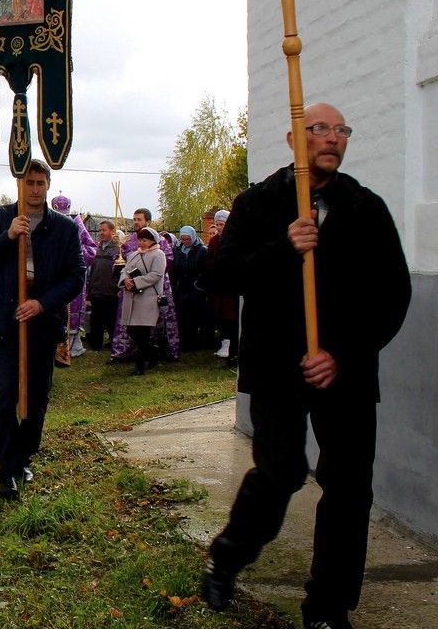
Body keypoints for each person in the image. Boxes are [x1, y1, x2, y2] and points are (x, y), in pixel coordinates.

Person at [200, 103, 411, 629]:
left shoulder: (365, 207)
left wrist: (343, 355)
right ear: (295, 139)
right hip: (278, 367)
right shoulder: (259, 203)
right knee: (281, 472)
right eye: (320, 129)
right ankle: (228, 555)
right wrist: (284, 247)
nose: (333, 138)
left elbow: (393, 294)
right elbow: (221, 275)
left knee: (349, 486)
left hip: (344, 372)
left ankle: (327, 608)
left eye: (342, 130)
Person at [0, 159, 86, 501]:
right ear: (19, 184)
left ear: (48, 185)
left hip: (42, 320)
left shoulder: (64, 228)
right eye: (28, 183)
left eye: (40, 183)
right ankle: (7, 469)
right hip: (4, 321)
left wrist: (42, 303)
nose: (34, 189)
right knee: (6, 390)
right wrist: (8, 236)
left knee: (37, 395)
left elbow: (75, 276)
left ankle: (24, 455)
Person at [110, 208, 180, 363]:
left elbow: (166, 262)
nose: (136, 222)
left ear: (147, 221)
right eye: (134, 219)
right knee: (131, 325)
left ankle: (155, 352)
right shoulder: (130, 240)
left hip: (152, 289)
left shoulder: (160, 241)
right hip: (131, 290)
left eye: (139, 219)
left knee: (149, 324)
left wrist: (141, 278)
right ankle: (127, 351)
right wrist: (123, 274)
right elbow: (124, 261)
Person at [50, 194, 97, 361]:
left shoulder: (78, 224)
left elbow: (91, 249)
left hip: (73, 276)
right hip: (54, 277)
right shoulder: (49, 223)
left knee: (72, 309)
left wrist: (73, 255)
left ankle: (74, 345)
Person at [119, 227, 167, 376]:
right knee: (132, 330)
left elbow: (156, 274)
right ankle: (153, 354)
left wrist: (136, 282)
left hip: (148, 298)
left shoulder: (158, 254)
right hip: (132, 298)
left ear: (153, 240)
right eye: (140, 240)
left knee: (142, 333)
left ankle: (140, 366)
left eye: (144, 240)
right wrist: (125, 280)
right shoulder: (134, 254)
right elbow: (125, 269)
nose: (141, 243)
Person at [204, 209, 239, 362]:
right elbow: (209, 260)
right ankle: (224, 343)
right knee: (221, 314)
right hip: (218, 283)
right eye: (217, 224)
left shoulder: (235, 238)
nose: (219, 227)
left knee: (232, 315)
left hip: (232, 284)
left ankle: (234, 345)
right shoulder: (214, 241)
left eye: (222, 224)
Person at [84, 219, 121, 351]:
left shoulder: (118, 249)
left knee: (111, 319)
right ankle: (96, 344)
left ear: (112, 231)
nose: (101, 233)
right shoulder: (97, 247)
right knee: (96, 318)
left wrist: (115, 286)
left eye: (104, 230)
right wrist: (90, 287)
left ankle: (113, 342)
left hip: (110, 290)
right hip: (96, 289)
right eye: (100, 230)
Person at [170, 225, 208, 350]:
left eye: (188, 239)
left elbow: (205, 270)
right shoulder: (177, 251)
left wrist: (199, 285)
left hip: (195, 288)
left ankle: (194, 341)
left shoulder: (202, 250)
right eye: (183, 239)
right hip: (181, 288)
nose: (185, 242)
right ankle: (184, 341)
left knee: (194, 316)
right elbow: (173, 270)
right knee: (182, 316)